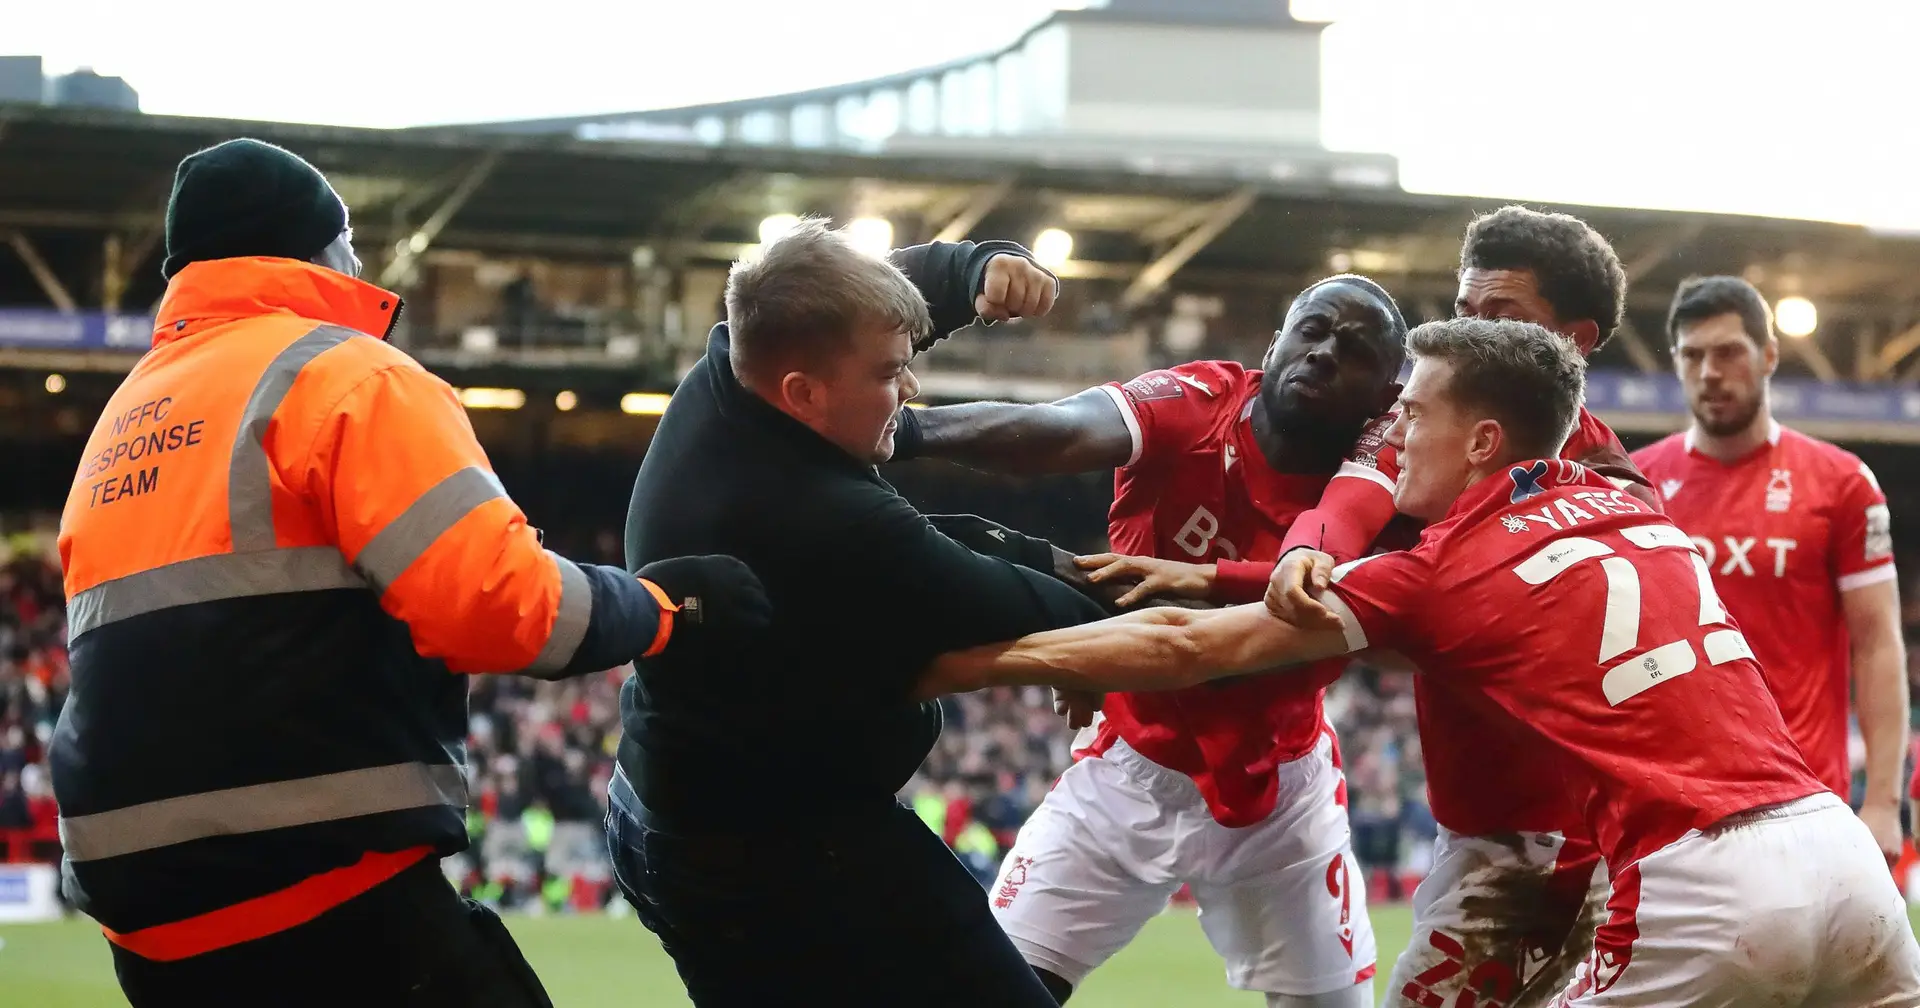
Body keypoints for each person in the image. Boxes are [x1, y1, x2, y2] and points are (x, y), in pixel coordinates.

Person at [928, 317, 1920, 1007]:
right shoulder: (1628, 498)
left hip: (1705, 886)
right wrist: (1214, 571)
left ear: (1482, 438)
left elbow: (1195, 651)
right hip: (1841, 860)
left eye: (1417, 412)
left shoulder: (1444, 567)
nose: (1392, 434)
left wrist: (962, 662)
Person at [52, 138, 770, 1008]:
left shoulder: (125, 417)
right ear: (317, 249)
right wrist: (662, 607)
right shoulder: (343, 374)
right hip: (318, 894)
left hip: (150, 933)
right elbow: (501, 604)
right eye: (348, 240)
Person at [613, 218, 1126, 1008]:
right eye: (891, 373)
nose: (912, 391)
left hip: (677, 813)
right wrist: (1092, 633)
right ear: (803, 393)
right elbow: (1031, 607)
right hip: (782, 852)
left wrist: (972, 268)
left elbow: (847, 297)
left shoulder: (734, 365)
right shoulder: (821, 519)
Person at [893, 274, 1408, 1007]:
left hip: (1281, 791)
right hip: (1130, 766)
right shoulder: (1198, 402)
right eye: (1312, 329)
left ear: (1384, 399)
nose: (1323, 352)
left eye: (1353, 350)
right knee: (987, 991)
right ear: (1275, 342)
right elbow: (1061, 429)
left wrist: (1202, 579)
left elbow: (1339, 595)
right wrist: (902, 432)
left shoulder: (1386, 474)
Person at [1249, 206, 1657, 1007]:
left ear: (1572, 341)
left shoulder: (1612, 487)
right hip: (1476, 820)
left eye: (1499, 317)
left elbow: (1479, 629)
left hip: (1551, 841)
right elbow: (1351, 500)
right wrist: (1310, 549)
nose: (1468, 333)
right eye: (1463, 310)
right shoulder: (1428, 410)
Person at [1632, 276, 1908, 863]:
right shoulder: (1634, 487)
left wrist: (1883, 802)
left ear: (1769, 357)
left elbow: (1878, 643)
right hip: (1673, 814)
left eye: (1728, 352)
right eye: (1693, 355)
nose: (1710, 372)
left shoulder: (1842, 484)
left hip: (1805, 805)